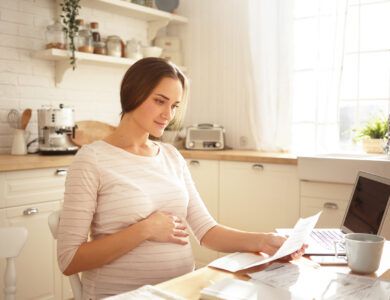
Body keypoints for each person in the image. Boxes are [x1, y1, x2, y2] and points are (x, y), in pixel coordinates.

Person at [57, 57, 306, 299]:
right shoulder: (92, 160)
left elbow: (207, 231)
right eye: (160, 101)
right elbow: (69, 260)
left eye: (174, 105)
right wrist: (145, 229)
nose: (169, 114)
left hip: (182, 291)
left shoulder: (171, 156)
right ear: (133, 94)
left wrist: (265, 242)